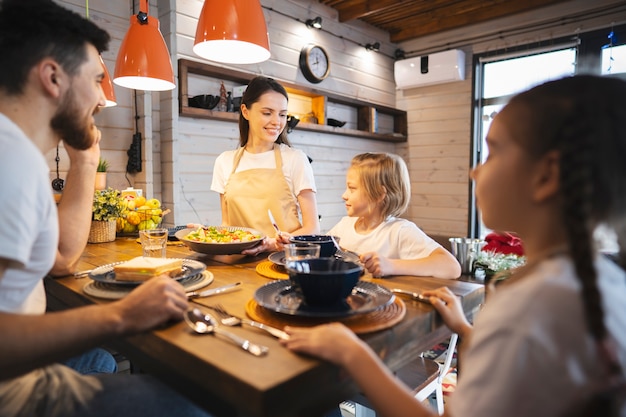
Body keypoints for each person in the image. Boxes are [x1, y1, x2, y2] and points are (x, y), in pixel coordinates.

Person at [280, 75, 626, 417]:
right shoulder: (596, 285)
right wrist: (466, 330)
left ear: (546, 176)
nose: (475, 171)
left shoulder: (527, 312)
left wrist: (354, 355)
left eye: (492, 153)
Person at [0, 1, 209, 416]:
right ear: (52, 77)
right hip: (17, 391)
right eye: (97, 79)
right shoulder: (11, 158)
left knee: (101, 359)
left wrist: (83, 157)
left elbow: (60, 259)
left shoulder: (19, 152)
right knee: (206, 403)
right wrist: (121, 316)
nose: (101, 96)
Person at [210, 76, 320, 254]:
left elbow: (313, 229)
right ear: (245, 112)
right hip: (238, 264)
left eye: (282, 114)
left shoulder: (295, 159)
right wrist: (206, 234)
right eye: (267, 113)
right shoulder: (225, 161)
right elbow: (228, 226)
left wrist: (272, 244)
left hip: (283, 262)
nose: (277, 122)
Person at [326, 152, 461, 278]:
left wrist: (390, 266)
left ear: (379, 194)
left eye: (352, 188)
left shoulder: (399, 231)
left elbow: (452, 267)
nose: (344, 195)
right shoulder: (343, 227)